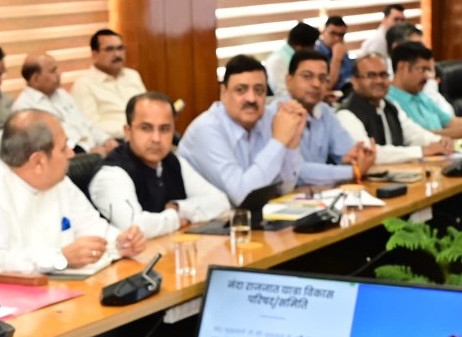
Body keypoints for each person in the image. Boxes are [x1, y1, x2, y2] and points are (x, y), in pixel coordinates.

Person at [0, 112, 145, 279]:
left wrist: (121, 241)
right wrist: (58, 259)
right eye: (63, 148)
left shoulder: (58, 180)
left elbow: (93, 228)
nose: (71, 154)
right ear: (38, 162)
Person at [88, 93, 230, 238]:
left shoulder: (173, 161)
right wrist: (174, 218)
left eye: (164, 129)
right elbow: (133, 227)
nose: (156, 139)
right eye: (146, 128)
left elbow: (221, 203)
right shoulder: (111, 174)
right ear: (128, 132)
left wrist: (178, 207)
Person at [177, 57, 306, 206]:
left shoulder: (267, 119)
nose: (251, 98)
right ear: (223, 93)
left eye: (259, 90)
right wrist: (279, 141)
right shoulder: (207, 129)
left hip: (246, 220)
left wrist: (292, 142)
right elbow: (243, 196)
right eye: (241, 90)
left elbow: (285, 187)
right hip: (198, 224)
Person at [338, 54, 452, 164]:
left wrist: (439, 141)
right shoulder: (346, 114)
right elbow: (368, 153)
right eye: (371, 75)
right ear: (355, 81)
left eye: (383, 75)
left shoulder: (391, 106)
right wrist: (421, 151)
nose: (379, 81)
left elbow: (414, 134)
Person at [287, 50, 374, 186]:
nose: (316, 84)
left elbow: (347, 152)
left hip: (318, 195)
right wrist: (353, 171)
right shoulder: (274, 115)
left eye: (322, 78)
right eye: (307, 76)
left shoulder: (325, 111)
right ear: (289, 80)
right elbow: (295, 171)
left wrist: (356, 157)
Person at [389, 41, 462, 141]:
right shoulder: (389, 102)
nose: (427, 77)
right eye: (422, 69)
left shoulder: (421, 96)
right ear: (402, 67)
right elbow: (417, 136)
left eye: (429, 70)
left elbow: (452, 122)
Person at [10, 52, 111, 154]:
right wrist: (88, 152)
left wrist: (106, 140)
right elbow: (50, 147)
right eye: (53, 71)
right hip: (73, 159)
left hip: (94, 151)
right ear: (36, 78)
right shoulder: (24, 109)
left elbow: (86, 124)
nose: (59, 74)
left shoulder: (62, 94)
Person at [69, 29, 146, 140]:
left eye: (120, 48)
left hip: (145, 135)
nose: (117, 54)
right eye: (109, 49)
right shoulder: (84, 84)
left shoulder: (132, 75)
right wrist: (131, 130)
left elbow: (146, 108)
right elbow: (89, 126)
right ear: (94, 54)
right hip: (114, 142)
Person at [264, 22, 321, 100]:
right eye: (312, 47)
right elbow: (282, 94)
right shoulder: (276, 61)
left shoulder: (298, 58)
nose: (314, 50)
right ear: (299, 46)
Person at [321, 14, 353, 90]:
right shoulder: (316, 54)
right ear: (323, 32)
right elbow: (327, 86)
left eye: (341, 35)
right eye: (333, 33)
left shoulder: (342, 50)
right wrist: (336, 59)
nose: (337, 38)